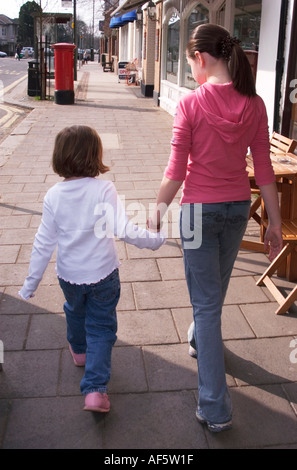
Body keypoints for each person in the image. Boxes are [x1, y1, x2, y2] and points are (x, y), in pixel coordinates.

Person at [148, 24, 283, 433]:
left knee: (207, 303)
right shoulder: (255, 105)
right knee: (213, 294)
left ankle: (215, 408)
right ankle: (198, 337)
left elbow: (176, 170)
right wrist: (274, 223)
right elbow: (264, 170)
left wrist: (156, 208)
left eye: (191, 64)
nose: (192, 74)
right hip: (237, 209)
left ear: (201, 59)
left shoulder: (190, 104)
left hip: (197, 214)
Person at [19, 125, 166, 413]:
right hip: (103, 276)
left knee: (74, 312)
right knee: (100, 328)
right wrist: (155, 240)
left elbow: (43, 243)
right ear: (94, 155)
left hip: (69, 276)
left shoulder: (53, 196)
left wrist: (30, 284)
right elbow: (123, 230)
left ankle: (78, 352)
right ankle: (95, 391)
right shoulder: (103, 189)